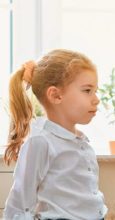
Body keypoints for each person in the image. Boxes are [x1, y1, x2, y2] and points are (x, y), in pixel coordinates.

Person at [3, 49, 107, 219]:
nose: (96, 99)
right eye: (87, 90)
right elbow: (19, 205)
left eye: (96, 91)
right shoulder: (40, 142)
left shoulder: (82, 143)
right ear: (56, 95)